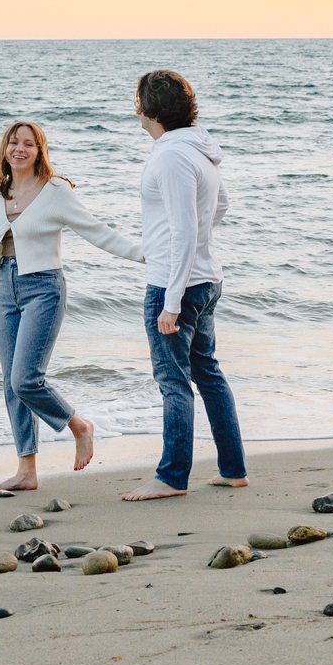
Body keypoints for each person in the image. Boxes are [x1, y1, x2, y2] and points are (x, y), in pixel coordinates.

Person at [0, 120, 143, 492]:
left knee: (26, 379)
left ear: (40, 152)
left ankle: (78, 426)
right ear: (5, 150)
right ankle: (27, 470)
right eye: (14, 143)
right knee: (11, 384)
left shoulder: (55, 192)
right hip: (7, 288)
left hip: (44, 289)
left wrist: (147, 256)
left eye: (29, 144)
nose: (20, 149)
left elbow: (98, 231)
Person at [122, 69, 248, 501]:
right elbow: (221, 206)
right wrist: (196, 243)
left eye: (138, 102)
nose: (136, 110)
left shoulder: (171, 156)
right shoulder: (198, 150)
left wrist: (171, 301)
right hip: (204, 278)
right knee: (207, 374)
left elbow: (182, 230)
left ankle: (172, 477)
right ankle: (233, 469)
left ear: (149, 108)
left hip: (176, 286)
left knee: (174, 381)